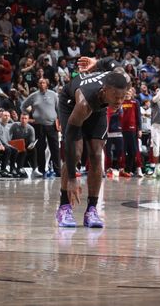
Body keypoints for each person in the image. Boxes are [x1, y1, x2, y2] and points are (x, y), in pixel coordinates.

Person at [55, 70, 128, 228]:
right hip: (71, 105)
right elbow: (69, 139)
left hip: (98, 108)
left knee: (96, 154)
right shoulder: (83, 103)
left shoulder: (119, 78)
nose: (120, 102)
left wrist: (95, 63)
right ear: (104, 91)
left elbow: (109, 61)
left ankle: (92, 209)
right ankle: (64, 207)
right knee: (75, 153)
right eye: (116, 98)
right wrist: (73, 179)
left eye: (123, 97)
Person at [21, 78, 61, 178]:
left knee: (55, 148)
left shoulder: (53, 95)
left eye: (43, 82)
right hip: (38, 125)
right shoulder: (33, 96)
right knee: (40, 148)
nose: (41, 84)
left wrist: (60, 122)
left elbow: (59, 109)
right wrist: (28, 117)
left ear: (47, 84)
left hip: (52, 125)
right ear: (38, 84)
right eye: (40, 82)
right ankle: (42, 170)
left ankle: (58, 170)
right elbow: (23, 106)